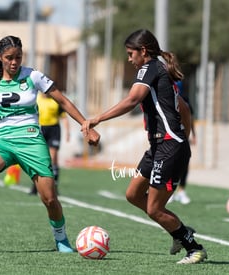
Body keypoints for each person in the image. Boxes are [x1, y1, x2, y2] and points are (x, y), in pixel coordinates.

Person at [0, 35, 100, 253]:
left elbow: (63, 100)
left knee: (49, 199)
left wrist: (86, 126)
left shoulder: (33, 76)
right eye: (9, 58)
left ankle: (61, 239)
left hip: (31, 139)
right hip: (4, 141)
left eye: (18, 57)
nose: (14, 62)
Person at [82, 29, 207, 264]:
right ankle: (179, 231)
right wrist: (182, 138)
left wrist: (97, 119)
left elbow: (131, 100)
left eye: (131, 53)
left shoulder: (149, 69)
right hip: (161, 146)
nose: (129, 58)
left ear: (143, 51)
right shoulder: (160, 71)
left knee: (154, 210)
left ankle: (193, 247)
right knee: (133, 194)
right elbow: (185, 109)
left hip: (169, 147)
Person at [29, 92, 70, 195]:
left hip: (54, 130)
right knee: (39, 158)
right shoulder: (36, 99)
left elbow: (64, 116)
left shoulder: (55, 101)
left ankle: (54, 186)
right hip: (40, 129)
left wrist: (68, 132)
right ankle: (35, 186)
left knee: (53, 157)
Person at [169, 81, 196, 205]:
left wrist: (193, 134)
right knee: (169, 165)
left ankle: (181, 191)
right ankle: (169, 193)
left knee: (184, 164)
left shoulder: (184, 100)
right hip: (169, 138)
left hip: (182, 137)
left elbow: (190, 119)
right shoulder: (164, 98)